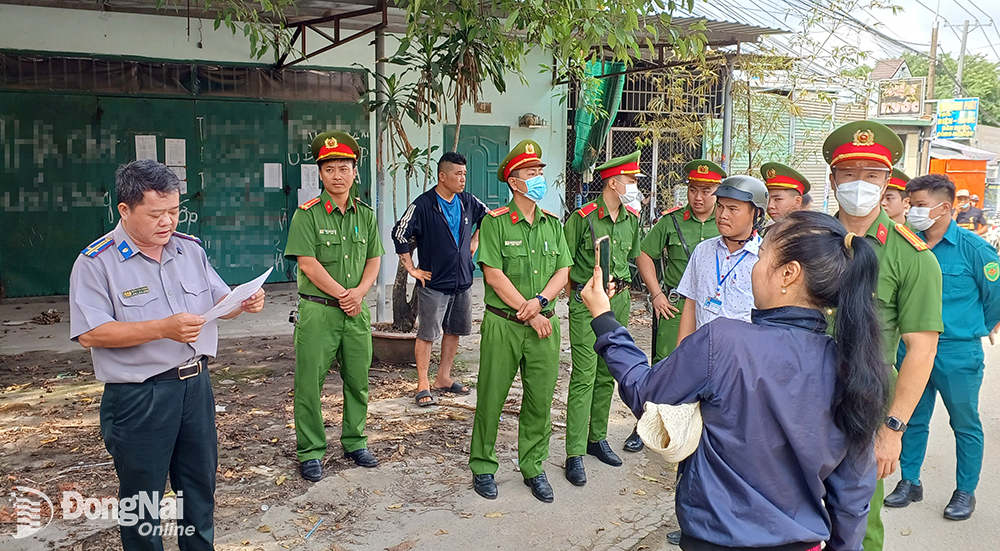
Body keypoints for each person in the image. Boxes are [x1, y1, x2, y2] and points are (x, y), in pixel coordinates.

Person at [580, 210, 890, 551]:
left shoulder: (723, 342)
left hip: (715, 539)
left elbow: (646, 394)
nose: (754, 269)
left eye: (761, 257)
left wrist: (605, 320)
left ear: (789, 274)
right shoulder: (854, 367)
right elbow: (853, 490)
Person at [70, 159, 266, 550]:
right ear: (124, 210)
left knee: (198, 489)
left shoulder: (188, 249)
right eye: (156, 214)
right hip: (140, 397)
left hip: (195, 387)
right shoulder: (97, 262)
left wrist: (241, 302)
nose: (168, 222)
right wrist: (162, 328)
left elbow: (216, 299)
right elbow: (90, 333)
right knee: (143, 502)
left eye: (174, 211)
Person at [821, 120, 942, 551]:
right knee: (787, 513)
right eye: (849, 173)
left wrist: (892, 429)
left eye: (871, 175)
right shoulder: (805, 241)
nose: (859, 183)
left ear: (888, 181)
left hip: (865, 407)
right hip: (796, 398)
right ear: (832, 179)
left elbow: (922, 349)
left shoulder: (913, 257)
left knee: (858, 521)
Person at [884, 174, 1000, 521]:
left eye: (919, 206)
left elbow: (995, 297)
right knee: (910, 417)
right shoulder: (906, 243)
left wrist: (976, 326)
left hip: (957, 352)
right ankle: (910, 481)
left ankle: (965, 491)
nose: (913, 211)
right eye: (911, 205)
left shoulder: (974, 248)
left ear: (945, 207)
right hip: (911, 348)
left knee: (964, 423)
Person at [469, 139, 572, 503]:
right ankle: (483, 465)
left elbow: (564, 269)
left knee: (540, 401)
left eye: (540, 171)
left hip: (544, 324)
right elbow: (493, 274)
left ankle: (533, 466)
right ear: (514, 182)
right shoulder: (495, 223)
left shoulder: (552, 223)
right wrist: (529, 314)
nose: (539, 177)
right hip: (505, 325)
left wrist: (541, 302)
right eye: (532, 173)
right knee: (492, 398)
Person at [284, 131, 384, 481]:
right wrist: (345, 293)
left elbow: (374, 259)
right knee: (309, 383)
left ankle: (355, 441)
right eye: (330, 169)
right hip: (319, 312)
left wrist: (359, 293)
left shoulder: (366, 215)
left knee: (358, 381)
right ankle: (310, 450)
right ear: (321, 174)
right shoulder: (307, 215)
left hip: (356, 312)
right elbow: (308, 264)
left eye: (344, 167)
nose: (337, 175)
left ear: (355, 172)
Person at [634, 159, 725, 456]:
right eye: (693, 190)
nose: (698, 197)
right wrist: (657, 292)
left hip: (715, 309)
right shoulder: (671, 221)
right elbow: (644, 254)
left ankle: (700, 429)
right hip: (674, 306)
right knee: (665, 367)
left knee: (714, 368)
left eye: (707, 190)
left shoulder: (726, 221)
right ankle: (649, 425)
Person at [562, 150, 642, 485]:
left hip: (619, 299)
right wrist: (573, 299)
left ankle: (597, 438)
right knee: (584, 374)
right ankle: (574, 452)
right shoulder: (583, 218)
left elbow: (634, 259)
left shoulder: (632, 219)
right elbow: (564, 265)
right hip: (587, 299)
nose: (635, 186)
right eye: (631, 180)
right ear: (613, 182)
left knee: (610, 372)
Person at [391, 152, 488, 406]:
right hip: (433, 283)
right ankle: (423, 383)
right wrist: (411, 268)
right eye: (458, 174)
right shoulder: (423, 205)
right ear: (442, 176)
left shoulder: (467, 201)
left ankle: (443, 377)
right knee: (427, 334)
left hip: (463, 281)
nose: (463, 178)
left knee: (454, 330)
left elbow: (489, 216)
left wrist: (476, 239)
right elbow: (400, 232)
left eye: (465, 173)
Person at [675, 175, 768, 345]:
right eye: (720, 206)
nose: (723, 215)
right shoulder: (703, 250)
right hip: (702, 352)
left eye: (733, 209)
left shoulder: (765, 258)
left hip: (743, 358)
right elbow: (690, 305)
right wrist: (681, 355)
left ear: (756, 213)